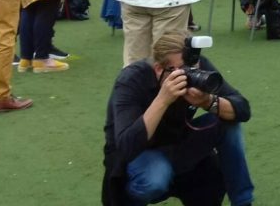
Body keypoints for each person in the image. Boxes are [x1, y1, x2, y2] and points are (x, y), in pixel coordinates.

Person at [102, 33, 254, 206]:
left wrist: (208, 101)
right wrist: (163, 99)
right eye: (184, 70)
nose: (191, 75)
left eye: (193, 69)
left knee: (228, 123)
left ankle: (243, 202)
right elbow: (127, 146)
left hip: (177, 140)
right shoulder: (131, 79)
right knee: (155, 179)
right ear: (159, 69)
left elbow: (243, 109)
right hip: (141, 152)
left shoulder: (199, 65)